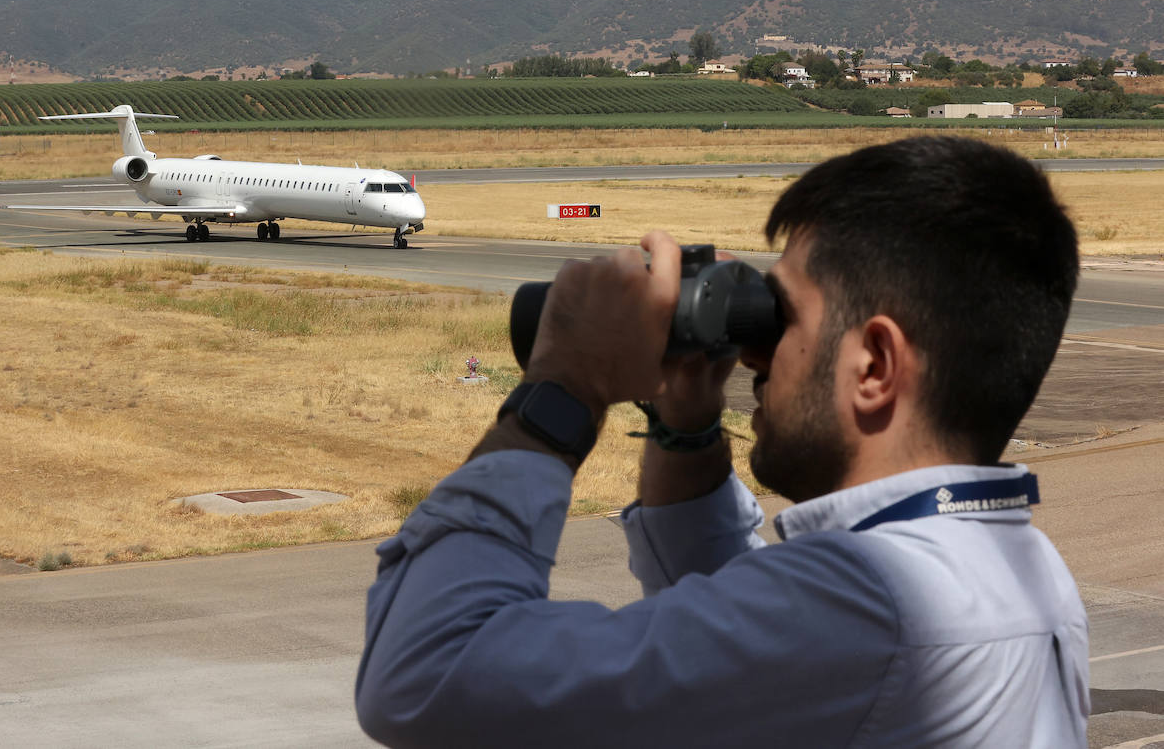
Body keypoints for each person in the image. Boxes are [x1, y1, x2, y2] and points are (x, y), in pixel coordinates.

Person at [355, 136, 1088, 748]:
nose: (753, 353)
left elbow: (427, 673)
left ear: (874, 365)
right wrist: (687, 418)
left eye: (781, 317)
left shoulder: (871, 607)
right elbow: (726, 614)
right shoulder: (1022, 570)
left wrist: (563, 386)